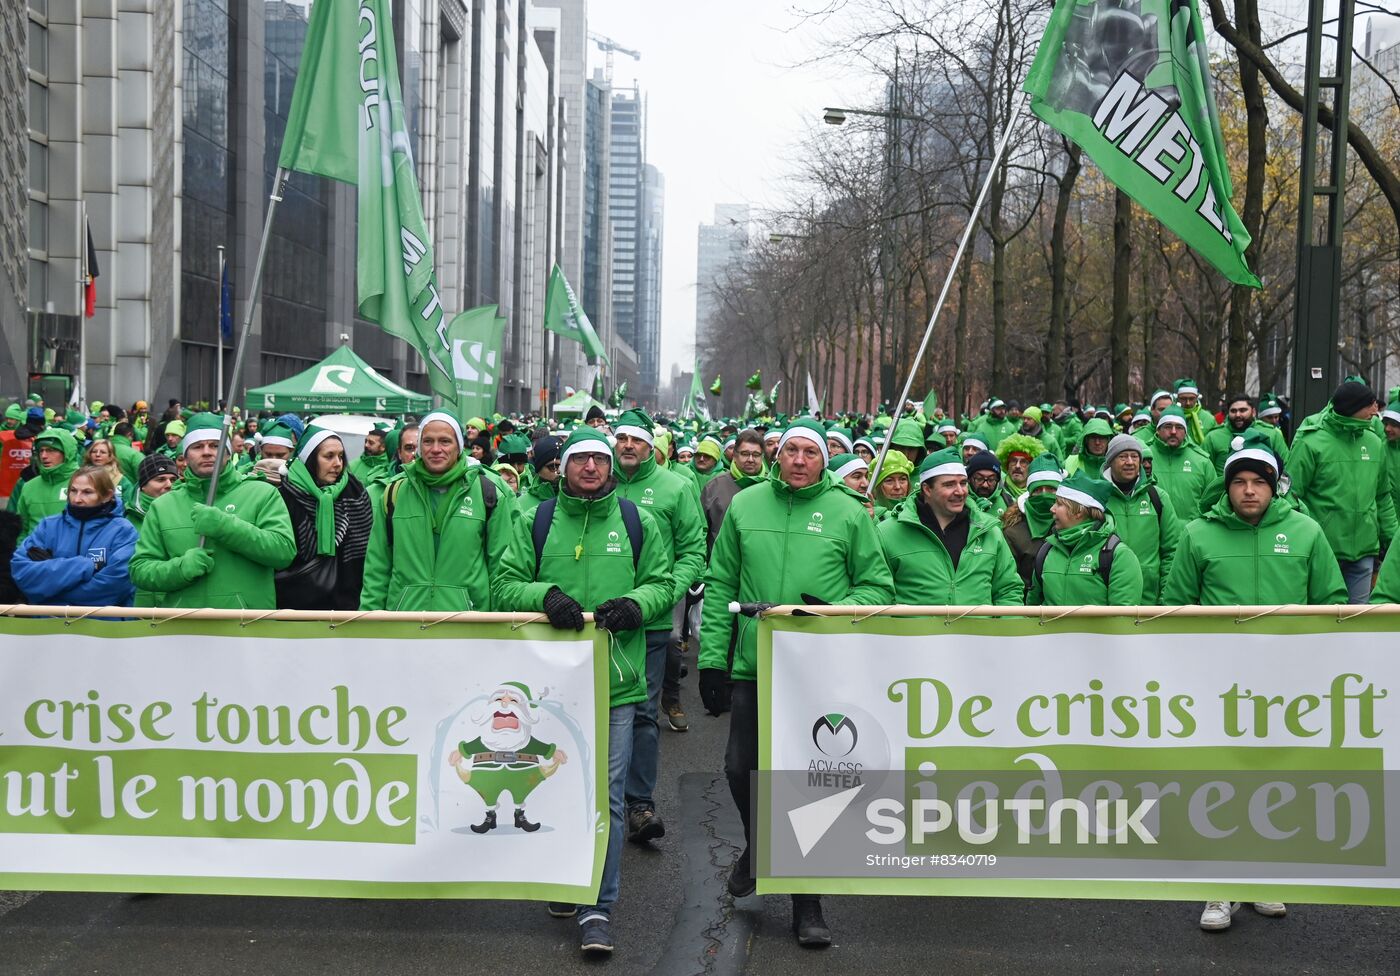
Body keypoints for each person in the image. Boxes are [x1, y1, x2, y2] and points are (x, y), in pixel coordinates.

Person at [699, 418, 894, 948]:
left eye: (811, 451)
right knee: (741, 769)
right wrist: (711, 660)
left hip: (818, 670)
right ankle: (763, 849)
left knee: (807, 782)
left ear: (823, 460)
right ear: (775, 456)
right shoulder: (746, 506)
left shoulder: (849, 512)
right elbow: (720, 586)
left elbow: (877, 588)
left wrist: (831, 613)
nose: (801, 459)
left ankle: (807, 903)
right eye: (792, 451)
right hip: (753, 663)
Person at [495, 425, 673, 956]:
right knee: (552, 785)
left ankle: (599, 906)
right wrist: (543, 595)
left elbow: (664, 582)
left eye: (599, 459)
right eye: (580, 460)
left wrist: (638, 605)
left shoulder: (639, 521)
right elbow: (502, 584)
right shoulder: (535, 520)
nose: (591, 467)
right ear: (563, 468)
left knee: (608, 797)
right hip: (546, 686)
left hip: (616, 684)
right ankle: (563, 878)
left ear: (612, 467)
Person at [610, 409, 707, 840]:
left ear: (652, 446)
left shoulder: (676, 487)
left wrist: (670, 593)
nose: (628, 446)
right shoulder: (593, 478)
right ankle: (593, 798)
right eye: (622, 439)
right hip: (596, 624)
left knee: (643, 713)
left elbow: (693, 549)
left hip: (649, 625)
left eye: (637, 439)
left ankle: (640, 805)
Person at [129, 413, 296, 609]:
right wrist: (181, 569)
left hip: (246, 630)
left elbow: (283, 553)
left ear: (228, 452)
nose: (207, 452)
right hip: (184, 628)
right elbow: (140, 570)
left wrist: (225, 527)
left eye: (215, 445)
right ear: (184, 456)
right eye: (198, 447)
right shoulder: (163, 506)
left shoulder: (263, 494)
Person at [1164, 431, 1346, 607]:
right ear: (1226, 486)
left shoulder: (1308, 531)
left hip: (1289, 638)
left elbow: (1330, 600)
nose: (1249, 490)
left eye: (1259, 482)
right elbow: (1176, 603)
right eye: (1239, 482)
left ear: (1274, 487)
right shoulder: (1197, 534)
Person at [359, 412, 519, 612]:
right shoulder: (394, 493)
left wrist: (498, 631)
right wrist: (369, 625)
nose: (435, 449)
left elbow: (500, 571)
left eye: (445, 441)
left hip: (467, 628)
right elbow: (377, 569)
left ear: (459, 446)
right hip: (405, 627)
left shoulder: (489, 493)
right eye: (427, 441)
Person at [1288, 380, 1396, 603]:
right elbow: (1291, 496)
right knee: (1323, 621)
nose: (1375, 410)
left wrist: (1394, 540)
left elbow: (1383, 496)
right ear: (1353, 408)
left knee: (1356, 622)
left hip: (1364, 552)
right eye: (1370, 405)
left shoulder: (1375, 443)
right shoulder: (1310, 443)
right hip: (1323, 550)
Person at [876, 447, 1022, 605]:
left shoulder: (989, 531)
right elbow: (878, 591)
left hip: (978, 630)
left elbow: (1008, 590)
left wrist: (1001, 627)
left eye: (963, 483)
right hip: (916, 630)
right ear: (927, 489)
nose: (960, 491)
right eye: (949, 484)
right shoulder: (887, 533)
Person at [275, 424, 373, 611]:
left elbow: (369, 553)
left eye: (341, 456)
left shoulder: (355, 492)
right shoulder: (285, 496)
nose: (338, 463)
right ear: (310, 459)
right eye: (329, 456)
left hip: (348, 604)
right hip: (296, 607)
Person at [11, 465, 138, 607]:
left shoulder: (122, 531)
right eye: (73, 491)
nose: (77, 499)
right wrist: (84, 565)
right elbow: (23, 574)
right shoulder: (48, 526)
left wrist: (52, 593)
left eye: (87, 492)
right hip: (49, 623)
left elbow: (116, 587)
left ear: (107, 495)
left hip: (103, 624)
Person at [1027, 473, 1143, 606]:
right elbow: (1033, 610)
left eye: (1059, 504)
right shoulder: (1047, 551)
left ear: (1078, 512)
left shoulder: (1118, 555)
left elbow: (1122, 619)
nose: (1051, 509)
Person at [1101, 434, 1180, 604]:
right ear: (1110, 462)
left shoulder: (1157, 498)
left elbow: (1171, 550)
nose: (1130, 462)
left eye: (1134, 456)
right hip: (1106, 598)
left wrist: (1165, 595)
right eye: (1122, 456)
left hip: (1149, 598)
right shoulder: (1098, 499)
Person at [1002, 454, 1063, 586]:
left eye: (1051, 489)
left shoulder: (1073, 524)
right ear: (1030, 494)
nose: (1044, 494)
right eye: (1038, 490)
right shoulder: (1013, 531)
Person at [700, 428, 766, 549]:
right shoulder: (714, 487)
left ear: (762, 457)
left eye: (756, 455)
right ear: (735, 455)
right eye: (745, 454)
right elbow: (700, 532)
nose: (750, 459)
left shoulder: (771, 487)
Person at [13, 427, 81, 537]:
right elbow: (22, 529)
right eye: (41, 451)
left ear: (67, 452)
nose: (44, 456)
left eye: (51, 450)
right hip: (33, 551)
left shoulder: (86, 483)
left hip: (72, 552)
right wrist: (24, 552)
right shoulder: (29, 486)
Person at [1149, 407, 1214, 520]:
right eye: (1168, 426)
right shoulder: (1144, 456)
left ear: (1185, 432)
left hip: (1191, 532)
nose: (1173, 431)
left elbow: (1213, 500)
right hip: (1153, 531)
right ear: (1158, 430)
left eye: (1179, 427)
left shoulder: (1202, 461)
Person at [1204, 394, 1289, 475]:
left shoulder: (1271, 434)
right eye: (1233, 411)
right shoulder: (1213, 437)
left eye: (1243, 410)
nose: (1238, 415)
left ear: (1253, 412)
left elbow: (1286, 466)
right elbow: (1204, 469)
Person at [125, 454, 178, 530]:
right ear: (143, 486)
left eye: (173, 480)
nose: (169, 485)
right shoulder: (128, 523)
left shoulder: (188, 511)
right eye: (161, 480)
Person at [517, 434, 561, 517]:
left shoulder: (578, 500)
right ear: (539, 469)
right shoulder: (520, 505)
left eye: (563, 466)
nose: (559, 471)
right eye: (552, 466)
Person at [84, 438, 135, 506]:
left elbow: (128, 505)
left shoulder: (121, 481)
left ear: (110, 456)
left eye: (103, 452)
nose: (98, 455)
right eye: (94, 451)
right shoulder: (80, 476)